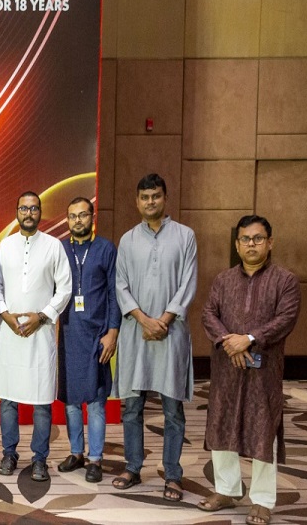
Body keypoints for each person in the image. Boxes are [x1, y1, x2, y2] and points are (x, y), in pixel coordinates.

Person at [197, 215, 301, 525]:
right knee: (221, 425)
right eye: (245, 239)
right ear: (237, 244)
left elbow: (285, 318)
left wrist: (250, 339)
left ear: (270, 243)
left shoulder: (285, 281)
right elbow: (208, 313)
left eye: (258, 238)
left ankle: (263, 500)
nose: (251, 244)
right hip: (227, 367)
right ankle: (226, 490)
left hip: (263, 371)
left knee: (263, 431)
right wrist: (228, 341)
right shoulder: (223, 280)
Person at [112, 173, 197, 502]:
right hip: (136, 333)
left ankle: (172, 474)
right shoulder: (127, 240)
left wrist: (163, 320)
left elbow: (188, 283)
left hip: (170, 333)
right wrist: (144, 320)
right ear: (137, 202)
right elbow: (121, 285)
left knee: (172, 409)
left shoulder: (185, 236)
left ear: (165, 198)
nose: (150, 202)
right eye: (145, 197)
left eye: (156, 196)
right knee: (132, 406)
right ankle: (132, 466)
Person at [0, 192, 71, 482]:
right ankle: (9, 453)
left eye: (34, 208)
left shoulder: (53, 246)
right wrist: (5, 314)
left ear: (40, 212)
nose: (28, 213)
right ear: (17, 211)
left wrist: (42, 315)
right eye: (24, 208)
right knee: (8, 400)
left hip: (41, 333)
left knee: (41, 401)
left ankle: (39, 458)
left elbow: (65, 288)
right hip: (9, 332)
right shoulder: (5, 246)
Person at [56, 197, 119, 483]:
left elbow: (114, 293)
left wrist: (112, 332)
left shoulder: (106, 248)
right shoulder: (61, 249)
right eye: (73, 216)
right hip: (69, 334)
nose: (77, 220)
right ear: (67, 220)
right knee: (71, 400)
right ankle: (76, 452)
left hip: (97, 335)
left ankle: (95, 458)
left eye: (83, 215)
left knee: (95, 400)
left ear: (92, 217)